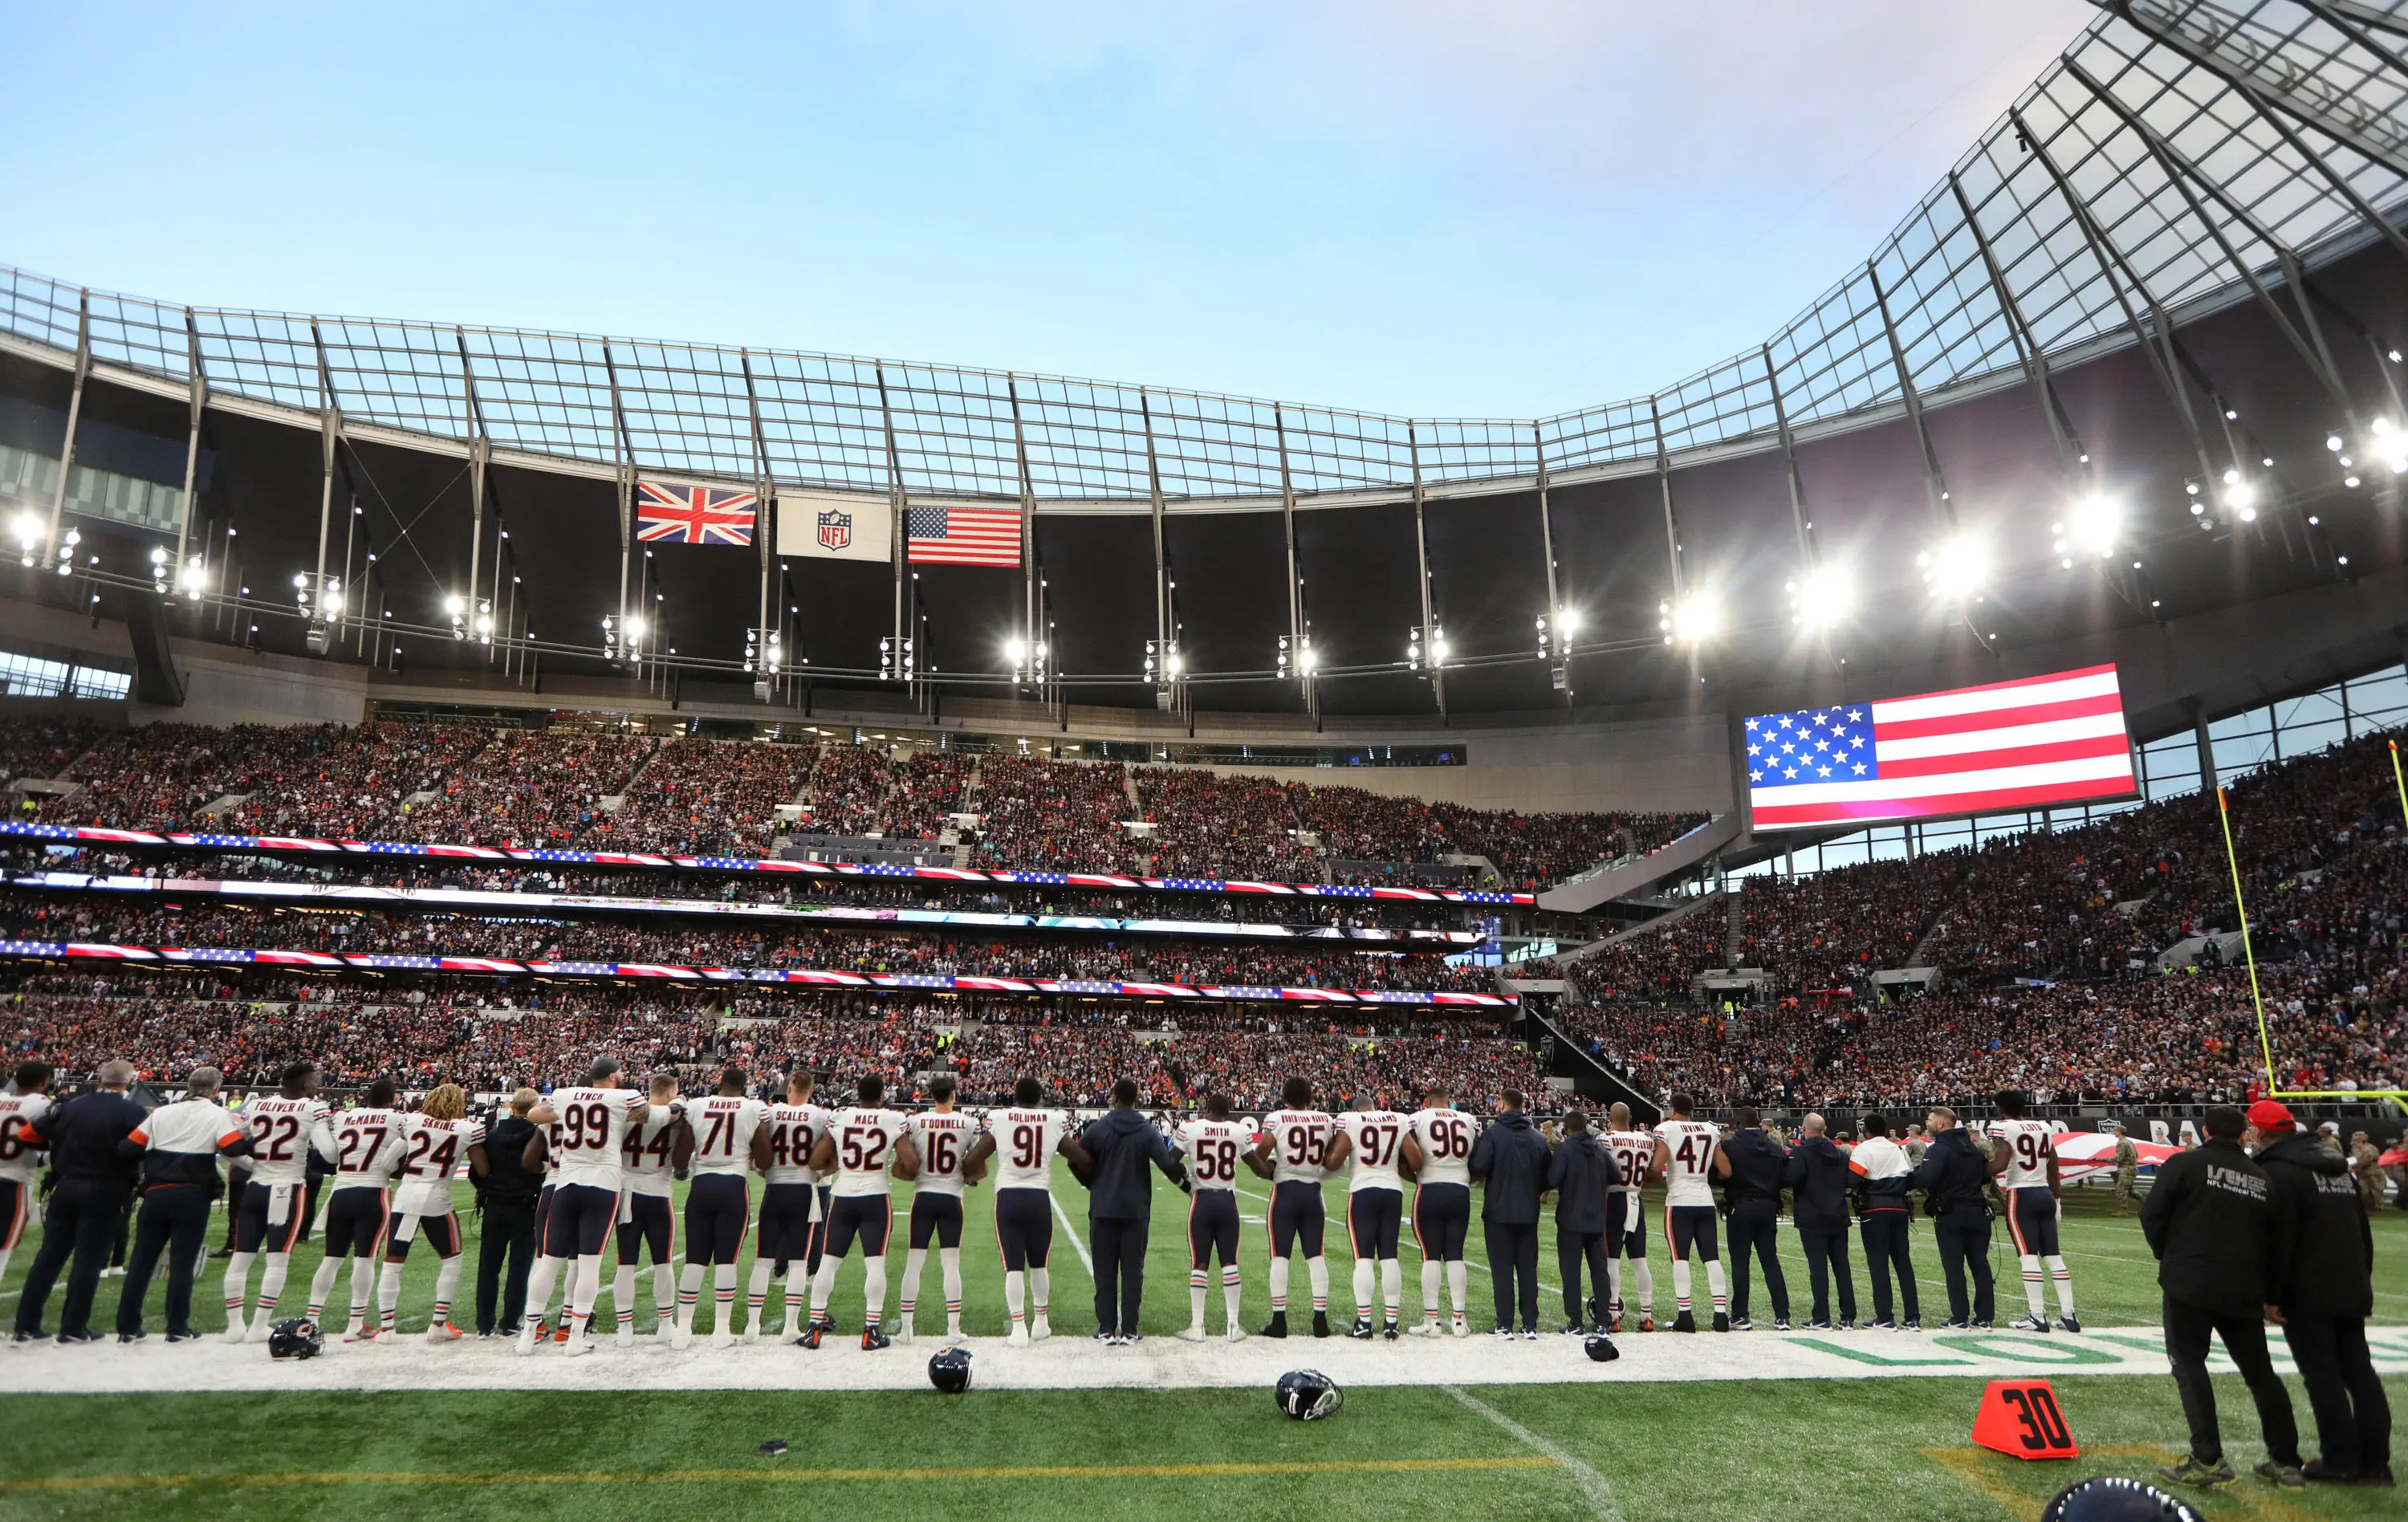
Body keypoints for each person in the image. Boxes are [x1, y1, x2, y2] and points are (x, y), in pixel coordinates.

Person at [2142, 1104, 2301, 1490]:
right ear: (2245, 1134)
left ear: (2205, 1131)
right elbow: (2278, 1243)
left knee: (2189, 1364)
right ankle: (2286, 1461)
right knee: (2260, 1373)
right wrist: (2272, 1293)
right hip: (2244, 1287)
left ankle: (2208, 1459)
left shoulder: (2185, 1164)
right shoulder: (2262, 1177)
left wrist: (2171, 1255)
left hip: (2190, 1282)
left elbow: (2152, 1214)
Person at [2252, 1099, 2393, 1487]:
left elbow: (2281, 1240)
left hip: (2307, 1291)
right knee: (2361, 1375)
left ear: (2261, 1133)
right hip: (2349, 1285)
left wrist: (2272, 1294)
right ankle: (2376, 1464)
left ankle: (2341, 1460)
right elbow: (2362, 1233)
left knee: (2323, 1376)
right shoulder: (2339, 1169)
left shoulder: (2279, 1172)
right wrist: (2362, 1280)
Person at [518, 1059, 651, 1357]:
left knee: (549, 1262)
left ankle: (528, 1334)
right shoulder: (623, 1096)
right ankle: (575, 1336)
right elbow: (644, 1114)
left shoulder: (566, 1094)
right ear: (613, 1076)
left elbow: (534, 1114)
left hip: (566, 1183)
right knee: (589, 1264)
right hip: (602, 1184)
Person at [112, 1066, 250, 1343]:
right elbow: (233, 1148)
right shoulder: (217, 1114)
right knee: (182, 1264)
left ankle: (127, 1327)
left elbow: (127, 1147)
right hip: (191, 1195)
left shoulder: (161, 1113)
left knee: (141, 1262)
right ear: (216, 1090)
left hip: (156, 1193)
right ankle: (177, 1327)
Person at [13, 1060, 144, 1344]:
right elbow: (140, 1150)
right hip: (107, 1189)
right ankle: (73, 1327)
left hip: (65, 1186)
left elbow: (26, 1135)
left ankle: (25, 1326)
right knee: (88, 1261)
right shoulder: (133, 1112)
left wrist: (58, 1150)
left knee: (48, 1258)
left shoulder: (70, 1105)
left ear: (99, 1080)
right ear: (130, 1082)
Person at [962, 1076, 1083, 1345]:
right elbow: (1079, 1156)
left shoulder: (1001, 1118)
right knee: (1039, 1264)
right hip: (1038, 1197)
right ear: (1040, 1098)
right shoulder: (1052, 1120)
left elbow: (973, 1160)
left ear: (1014, 1096)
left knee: (1014, 1267)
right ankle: (1041, 1322)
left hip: (1008, 1196)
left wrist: (966, 1172)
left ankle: (1018, 1328)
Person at [801, 1074, 917, 1351]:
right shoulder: (892, 1119)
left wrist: (839, 1160)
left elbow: (816, 1161)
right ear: (882, 1095)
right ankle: (870, 1331)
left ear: (858, 1093)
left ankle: (814, 1328)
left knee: (829, 1262)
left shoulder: (841, 1117)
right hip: (875, 1196)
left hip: (843, 1195)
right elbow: (911, 1162)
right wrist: (895, 1167)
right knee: (875, 1264)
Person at [220, 1061, 327, 1342]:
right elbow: (329, 1151)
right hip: (287, 1188)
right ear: (304, 1084)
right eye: (314, 1081)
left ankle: (234, 1327)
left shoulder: (257, 1105)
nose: (317, 1086)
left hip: (255, 1186)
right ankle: (259, 1325)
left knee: (241, 1257)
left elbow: (226, 1142)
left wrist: (250, 1164)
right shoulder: (312, 1108)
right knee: (277, 1261)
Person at [1074, 1077, 1185, 1345]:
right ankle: (1130, 1329)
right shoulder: (1146, 1130)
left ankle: (1106, 1328)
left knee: (1104, 1271)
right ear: (1136, 1098)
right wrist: (1182, 1176)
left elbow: (1076, 1159)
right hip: (1136, 1210)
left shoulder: (1099, 1127)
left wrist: (1092, 1182)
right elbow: (1167, 1163)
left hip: (1103, 1208)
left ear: (1114, 1096)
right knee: (1133, 1271)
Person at [305, 1078, 409, 1340]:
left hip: (341, 1192)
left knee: (331, 1258)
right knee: (365, 1259)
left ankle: (310, 1320)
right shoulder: (398, 1119)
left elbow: (330, 1152)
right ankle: (355, 1324)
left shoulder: (343, 1116)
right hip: (373, 1192)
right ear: (392, 1100)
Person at [378, 1082, 481, 1343]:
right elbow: (483, 1169)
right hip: (437, 1198)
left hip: (407, 1195)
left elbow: (387, 1163)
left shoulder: (413, 1121)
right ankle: (438, 1324)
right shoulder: (467, 1128)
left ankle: (386, 1329)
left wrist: (412, 1172)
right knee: (452, 1260)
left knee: (392, 1264)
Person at [1248, 1076, 1333, 1338]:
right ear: (1310, 1097)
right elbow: (1332, 1159)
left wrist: (1273, 1169)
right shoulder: (1325, 1119)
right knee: (1316, 1257)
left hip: (1285, 1193)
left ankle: (1279, 1321)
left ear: (1284, 1096)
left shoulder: (1277, 1118)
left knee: (1280, 1257)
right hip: (1313, 1193)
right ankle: (1320, 1321)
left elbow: (1260, 1156)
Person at [899, 1074, 979, 1345]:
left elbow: (905, 1157)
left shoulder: (916, 1121)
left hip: (924, 1195)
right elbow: (976, 1161)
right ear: (953, 1095)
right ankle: (953, 1329)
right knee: (951, 1264)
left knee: (914, 1263)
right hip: (951, 1197)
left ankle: (906, 1330)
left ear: (932, 1096)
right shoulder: (968, 1123)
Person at [742, 1070, 821, 1345]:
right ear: (811, 1091)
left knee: (763, 1260)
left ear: (788, 1088)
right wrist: (820, 1173)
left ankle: (752, 1326)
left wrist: (760, 1169)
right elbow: (830, 1154)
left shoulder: (770, 1113)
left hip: (774, 1188)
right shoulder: (819, 1115)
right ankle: (790, 1327)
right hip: (803, 1189)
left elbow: (755, 1151)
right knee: (799, 1263)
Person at [608, 1074, 686, 1346]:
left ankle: (625, 1329)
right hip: (657, 1193)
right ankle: (665, 1324)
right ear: (670, 1093)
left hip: (626, 1192)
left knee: (625, 1263)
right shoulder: (675, 1115)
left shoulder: (627, 1114)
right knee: (663, 1262)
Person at [1990, 1090, 2078, 1333]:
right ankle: (2069, 1315)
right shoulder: (2043, 1127)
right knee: (2054, 1256)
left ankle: (2037, 1316)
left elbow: (2000, 1164)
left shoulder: (2002, 1127)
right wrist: (2057, 1200)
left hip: (2022, 1195)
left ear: (2000, 1109)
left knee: (2028, 1256)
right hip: (2045, 1194)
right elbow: (2053, 1166)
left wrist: (1972, 1170)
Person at [1324, 1093, 1410, 1340]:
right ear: (1375, 1106)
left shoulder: (1350, 1120)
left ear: (1355, 1109)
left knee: (1363, 1259)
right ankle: (1391, 1323)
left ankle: (1364, 1322)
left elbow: (1335, 1161)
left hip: (1363, 1190)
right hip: (1392, 1191)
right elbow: (1415, 1159)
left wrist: (1327, 1154)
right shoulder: (1397, 1118)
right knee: (1390, 1257)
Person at [1468, 1088, 1549, 1339]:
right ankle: (1530, 1324)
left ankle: (1504, 1323)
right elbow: (1549, 1176)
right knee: (1528, 1269)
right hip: (1528, 1211)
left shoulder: (1493, 1134)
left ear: (1502, 1105)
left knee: (1502, 1270)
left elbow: (1479, 1166)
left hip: (1499, 1211)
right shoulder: (1537, 1137)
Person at [1171, 1093, 1251, 1342]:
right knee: (1230, 1263)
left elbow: (1169, 1162)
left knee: (1200, 1263)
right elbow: (1257, 1163)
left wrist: (1185, 1184)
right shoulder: (1238, 1131)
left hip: (1202, 1201)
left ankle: (1197, 1326)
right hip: (1227, 1201)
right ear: (1228, 1111)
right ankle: (1233, 1325)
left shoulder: (1191, 1128)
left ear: (1206, 1109)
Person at [1908, 1105, 1996, 1329]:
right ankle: (1985, 1316)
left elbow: (1925, 1178)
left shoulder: (1940, 1148)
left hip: (1951, 1212)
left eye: (1929, 1120)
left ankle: (1960, 1317)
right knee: (1980, 1264)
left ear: (1940, 1123)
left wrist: (1906, 1178)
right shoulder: (1973, 1148)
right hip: (1978, 1210)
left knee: (1954, 1267)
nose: (1927, 1124)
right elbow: (1985, 1176)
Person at [1649, 1093, 1731, 1333]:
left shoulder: (1667, 1129)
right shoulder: (1710, 1129)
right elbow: (1726, 1169)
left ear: (1673, 1111)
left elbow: (1657, 1166)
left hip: (1679, 1200)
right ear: (1692, 1110)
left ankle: (1685, 1316)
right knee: (1712, 1257)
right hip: (1704, 1200)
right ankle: (1721, 1316)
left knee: (1680, 1258)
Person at [1401, 1086, 1477, 1337]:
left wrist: (1416, 1175)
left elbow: (1406, 1153)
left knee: (1430, 1255)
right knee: (1455, 1254)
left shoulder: (1419, 1118)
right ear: (1449, 1101)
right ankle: (1459, 1320)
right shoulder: (1467, 1119)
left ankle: (1431, 1321)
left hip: (1430, 1189)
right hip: (1460, 1190)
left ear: (1427, 1101)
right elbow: (1479, 1155)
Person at [470, 1087, 541, 1337]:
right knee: (519, 1268)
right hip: (525, 1205)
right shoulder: (537, 1133)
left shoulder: (493, 1133)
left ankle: (484, 1323)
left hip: (495, 1203)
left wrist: (487, 1189)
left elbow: (479, 1171)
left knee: (488, 1268)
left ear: (513, 1107)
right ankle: (510, 1321)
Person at [1544, 1111, 1620, 1335]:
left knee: (1571, 1272)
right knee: (1600, 1272)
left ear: (1566, 1129)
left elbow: (1553, 1179)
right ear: (1586, 1126)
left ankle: (1576, 1322)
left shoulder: (1565, 1149)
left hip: (1570, 1219)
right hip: (1596, 1218)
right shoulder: (1600, 1149)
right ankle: (1604, 1320)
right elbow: (1616, 1176)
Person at [1719, 1105, 1791, 1331]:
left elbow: (1719, 1175)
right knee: (1771, 1261)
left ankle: (1740, 1315)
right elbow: (1785, 1175)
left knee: (1741, 1263)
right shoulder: (1773, 1146)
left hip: (1740, 1207)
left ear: (1738, 1123)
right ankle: (1782, 1316)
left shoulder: (1730, 1145)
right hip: (1768, 1207)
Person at [1784, 1112, 1857, 1331]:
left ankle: (1821, 1317)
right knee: (1842, 1266)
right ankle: (1848, 1317)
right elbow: (1848, 1180)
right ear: (1824, 1130)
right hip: (1838, 1214)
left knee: (1818, 1268)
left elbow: (1791, 1178)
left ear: (1804, 1129)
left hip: (1812, 1216)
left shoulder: (1801, 1152)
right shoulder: (1839, 1153)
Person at [1849, 1112, 1919, 1330]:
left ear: (1866, 1131)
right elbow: (1910, 1178)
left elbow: (1853, 1179)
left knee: (1878, 1264)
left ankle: (1885, 1316)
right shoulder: (1898, 1148)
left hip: (1875, 1208)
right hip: (1899, 1206)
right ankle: (1913, 1317)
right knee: (1903, 1262)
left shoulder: (1864, 1149)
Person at [0, 1060, 57, 1293]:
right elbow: (53, 1144)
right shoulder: (42, 1105)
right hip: (14, 1181)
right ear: (44, 1082)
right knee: (2, 1251)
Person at [1601, 1104, 1657, 1332]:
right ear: (1631, 1117)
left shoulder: (1606, 1139)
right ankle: (1647, 1316)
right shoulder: (1646, 1139)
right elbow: (1653, 1172)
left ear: (1609, 1117)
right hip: (1636, 1199)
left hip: (1614, 1200)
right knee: (1640, 1261)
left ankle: (1613, 1315)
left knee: (1612, 1260)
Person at [2111, 1123, 2140, 1217]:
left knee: (2120, 1189)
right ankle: (2148, 1203)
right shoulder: (2129, 1142)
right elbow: (2136, 1155)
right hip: (2132, 1168)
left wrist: (2103, 1159)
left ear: (2119, 1132)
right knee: (2130, 1190)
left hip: (2126, 1169)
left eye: (2115, 1131)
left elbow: (2119, 1159)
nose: (2114, 1132)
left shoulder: (2121, 1143)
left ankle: (2123, 1210)